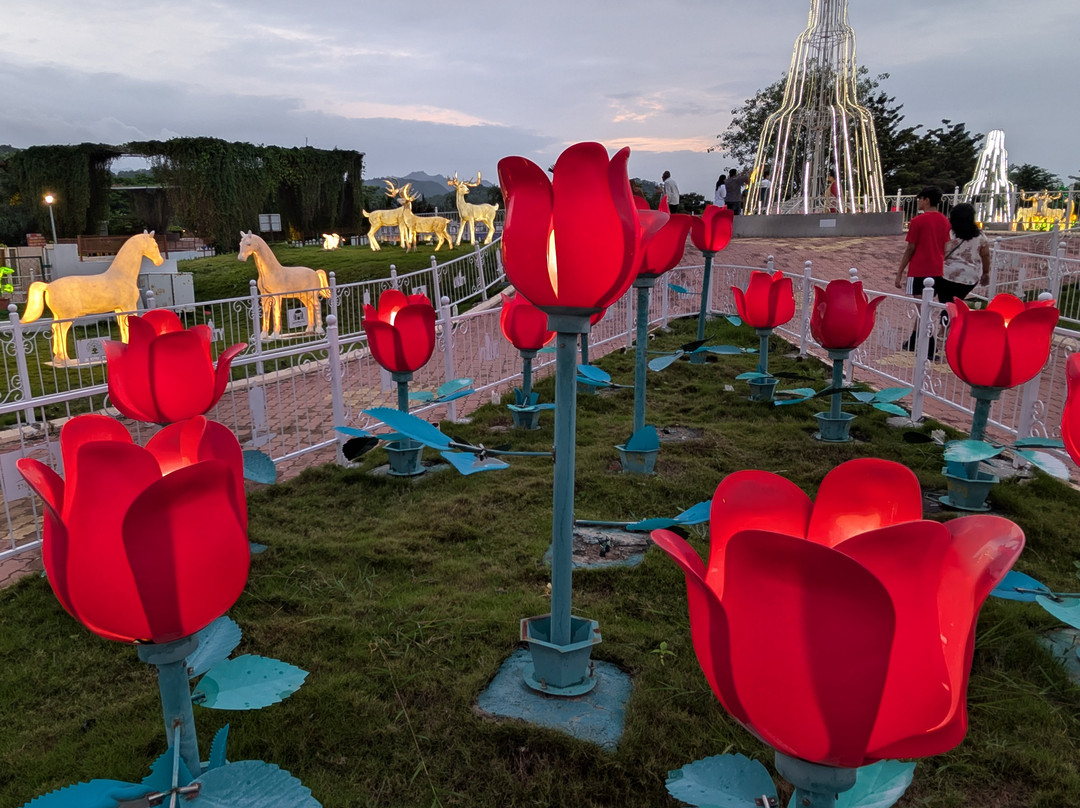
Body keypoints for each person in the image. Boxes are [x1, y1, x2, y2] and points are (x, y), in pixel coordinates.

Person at [894, 185, 951, 353]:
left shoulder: (917, 221)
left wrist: (900, 272)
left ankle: (930, 346)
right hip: (936, 270)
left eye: (920, 199)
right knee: (924, 307)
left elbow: (910, 248)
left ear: (926, 200)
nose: (919, 202)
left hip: (919, 270)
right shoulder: (944, 221)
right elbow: (946, 246)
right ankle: (912, 341)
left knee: (922, 309)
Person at [937, 202, 991, 304]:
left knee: (945, 303)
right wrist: (986, 273)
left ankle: (947, 314)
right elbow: (986, 255)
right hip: (969, 277)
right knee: (956, 303)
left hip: (947, 274)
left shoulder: (948, 233)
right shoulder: (980, 236)